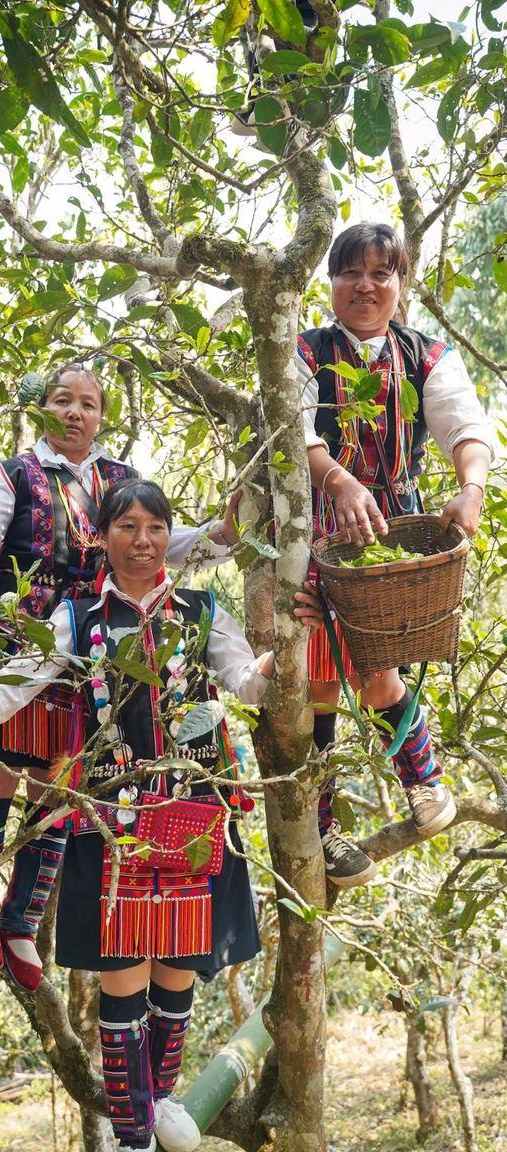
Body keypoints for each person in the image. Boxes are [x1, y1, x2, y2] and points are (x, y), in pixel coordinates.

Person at [0, 479, 322, 1152]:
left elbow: (249, 683)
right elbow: (19, 682)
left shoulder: (203, 611)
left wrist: (298, 649)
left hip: (196, 811)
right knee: (122, 979)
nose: (142, 540)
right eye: (127, 527)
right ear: (105, 538)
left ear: (167, 536)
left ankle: (162, 1096)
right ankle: (133, 1129)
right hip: (108, 818)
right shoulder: (76, 617)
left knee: (176, 972)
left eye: (154, 527)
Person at [0, 365, 244, 991]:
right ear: (40, 409)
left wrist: (225, 535)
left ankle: (22, 921)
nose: (76, 413)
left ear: (103, 416)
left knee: (57, 787)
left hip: (91, 643)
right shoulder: (14, 474)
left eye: (89, 403)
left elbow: (159, 543)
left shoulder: (121, 480)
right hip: (19, 638)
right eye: (62, 401)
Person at [297, 222, 495, 888]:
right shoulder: (304, 350)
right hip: (316, 535)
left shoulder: (424, 355)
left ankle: (425, 784)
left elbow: (466, 429)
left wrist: (471, 489)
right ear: (331, 283)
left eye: (382, 273)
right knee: (319, 684)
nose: (366, 286)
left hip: (391, 539)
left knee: (377, 671)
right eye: (351, 272)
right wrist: (338, 478)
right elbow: (295, 434)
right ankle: (321, 834)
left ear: (399, 284)